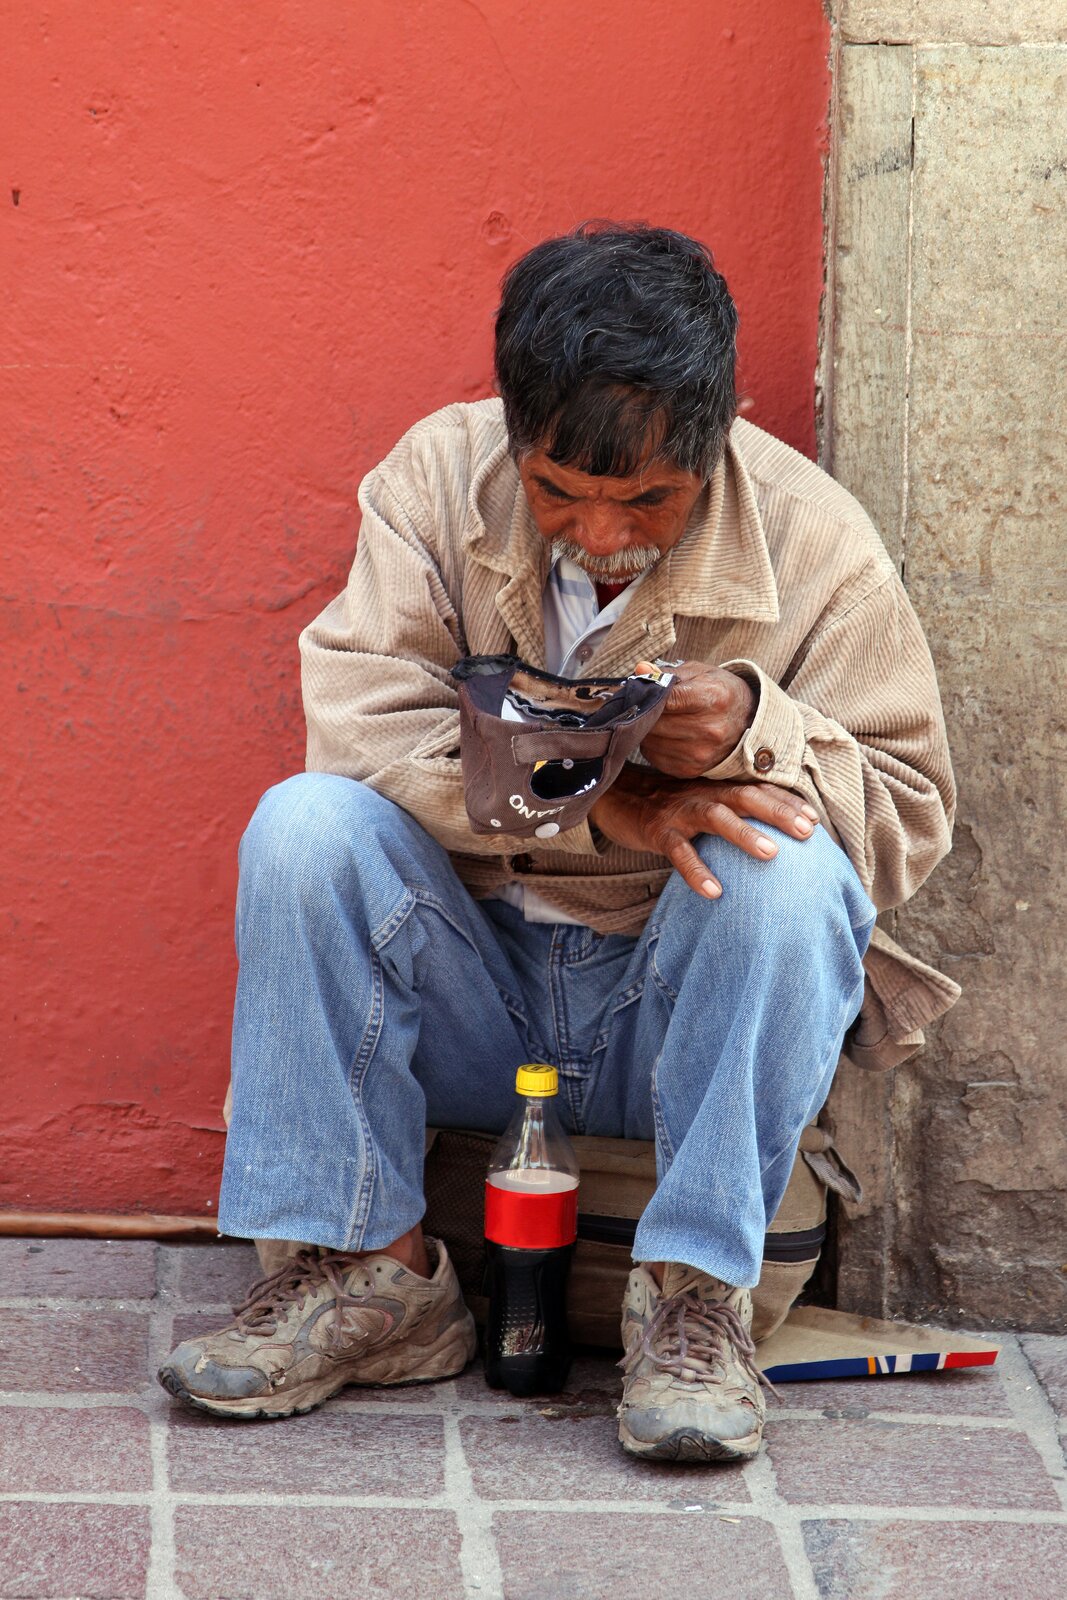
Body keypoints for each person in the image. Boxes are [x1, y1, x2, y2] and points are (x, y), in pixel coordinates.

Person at [158, 223, 956, 1462]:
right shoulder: (434, 478)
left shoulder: (815, 542)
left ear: (716, 436)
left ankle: (694, 1302)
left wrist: (757, 722)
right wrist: (594, 802)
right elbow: (359, 721)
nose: (597, 532)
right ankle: (367, 1279)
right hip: (474, 990)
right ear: (509, 428)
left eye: (646, 498)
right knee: (304, 828)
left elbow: (906, 810)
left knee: (785, 870)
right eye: (557, 492)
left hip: (668, 1017)